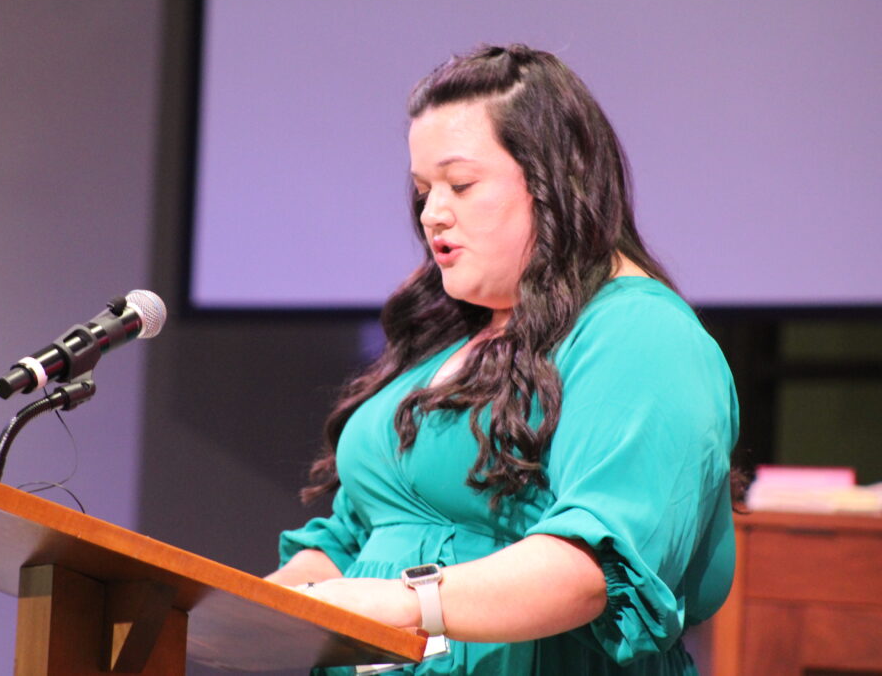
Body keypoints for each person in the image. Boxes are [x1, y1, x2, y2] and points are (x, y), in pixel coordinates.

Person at [266, 44, 738, 675]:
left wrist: (400, 603)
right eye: (423, 190)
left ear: (554, 180)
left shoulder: (641, 334)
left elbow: (589, 566)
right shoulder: (450, 337)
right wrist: (268, 603)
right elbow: (357, 532)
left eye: (460, 184)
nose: (433, 213)